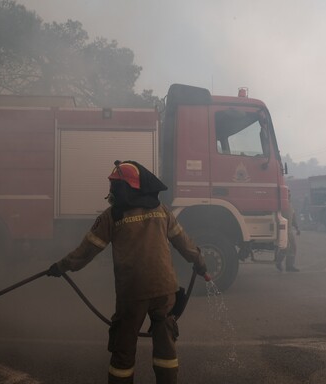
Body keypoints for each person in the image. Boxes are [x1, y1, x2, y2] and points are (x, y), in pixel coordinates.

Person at [47, 160, 208, 384]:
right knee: (166, 350)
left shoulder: (112, 216)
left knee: (123, 353)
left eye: (114, 186)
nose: (111, 191)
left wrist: (61, 267)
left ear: (126, 188)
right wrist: (200, 264)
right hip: (165, 290)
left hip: (133, 294)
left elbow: (86, 251)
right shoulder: (161, 211)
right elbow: (185, 243)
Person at [276, 193, 301, 272]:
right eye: (288, 194)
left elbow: (293, 218)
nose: (289, 196)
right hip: (282, 229)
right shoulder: (281, 204)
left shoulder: (290, 205)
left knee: (292, 247)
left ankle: (289, 266)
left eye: (289, 195)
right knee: (285, 248)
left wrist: (297, 228)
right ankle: (279, 262)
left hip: (289, 230)